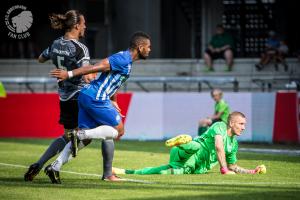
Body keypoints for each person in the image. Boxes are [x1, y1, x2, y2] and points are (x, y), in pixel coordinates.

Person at [46, 31, 151, 183]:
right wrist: (69, 74)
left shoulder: (126, 61)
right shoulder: (122, 58)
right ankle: (82, 136)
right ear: (140, 47)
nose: (150, 50)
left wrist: (113, 100)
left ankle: (55, 167)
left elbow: (114, 81)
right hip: (96, 98)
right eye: (148, 47)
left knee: (86, 139)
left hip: (87, 96)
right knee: (119, 131)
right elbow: (96, 67)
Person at [24, 10, 97, 182]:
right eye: (83, 23)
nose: (85, 26)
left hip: (64, 97)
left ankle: (39, 164)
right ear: (77, 25)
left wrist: (59, 61)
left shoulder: (55, 43)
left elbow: (41, 58)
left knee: (66, 136)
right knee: (89, 136)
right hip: (79, 96)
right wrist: (95, 69)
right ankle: (55, 166)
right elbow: (86, 74)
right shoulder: (81, 48)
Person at [112, 112, 267, 175]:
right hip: (188, 152)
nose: (243, 127)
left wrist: (251, 172)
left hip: (193, 166)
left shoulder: (234, 145)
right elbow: (219, 146)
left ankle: (127, 172)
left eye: (244, 124)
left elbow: (233, 166)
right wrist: (223, 169)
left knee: (164, 172)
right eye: (241, 124)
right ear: (231, 123)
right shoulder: (219, 126)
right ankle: (182, 142)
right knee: (196, 145)